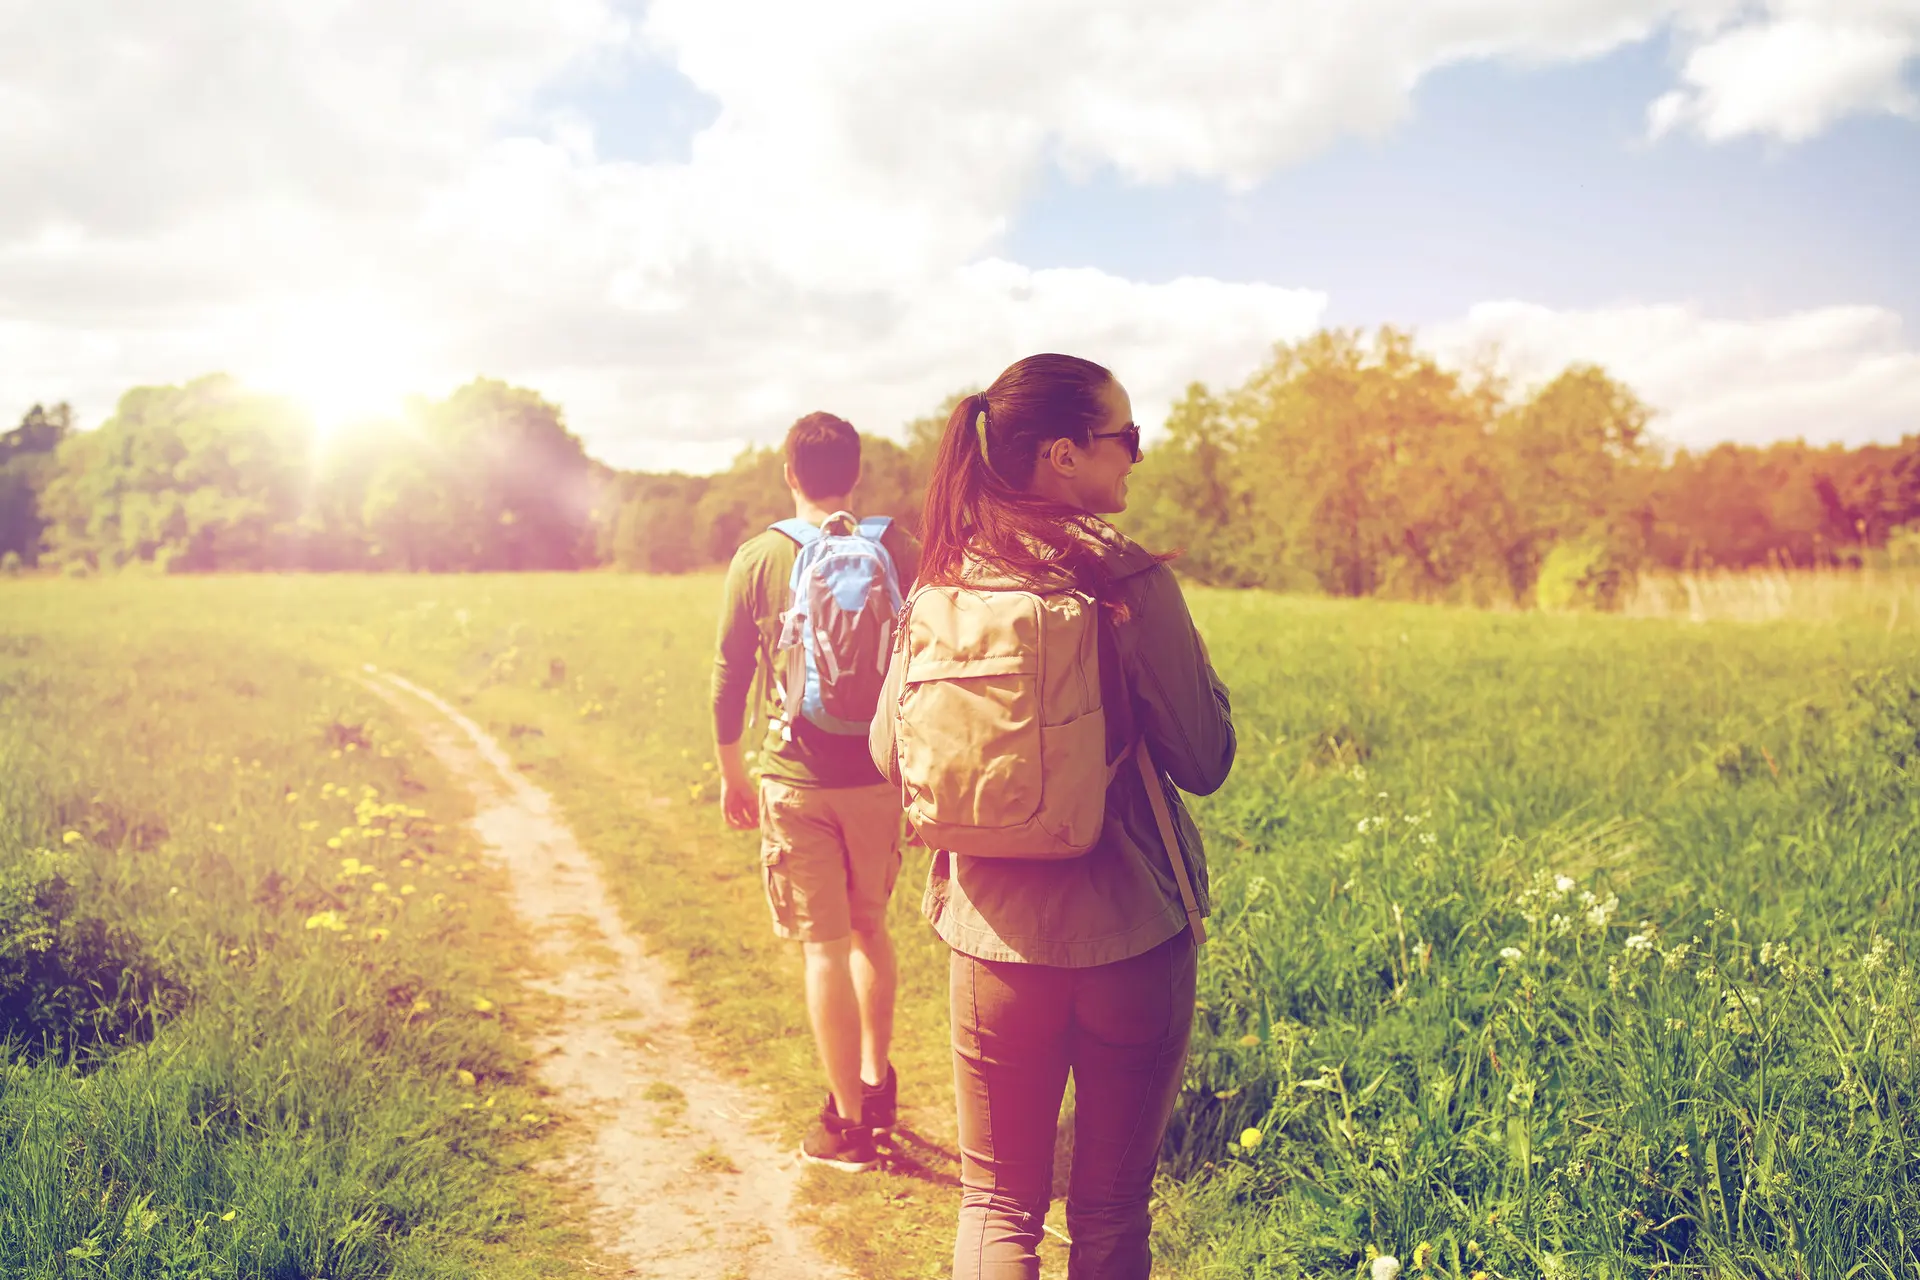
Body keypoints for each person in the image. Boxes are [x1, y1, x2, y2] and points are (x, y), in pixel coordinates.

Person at [870, 354, 1235, 1279]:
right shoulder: (1125, 578)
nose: (1136, 458)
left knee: (996, 1204)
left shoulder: (947, 578)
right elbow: (1205, 759)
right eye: (1128, 438)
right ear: (1065, 455)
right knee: (1110, 1212)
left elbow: (888, 751)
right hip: (1133, 938)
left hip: (992, 941)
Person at [711, 411, 922, 1172]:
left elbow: (731, 675)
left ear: (789, 474)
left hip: (795, 780)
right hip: (877, 781)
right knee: (872, 931)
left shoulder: (760, 556)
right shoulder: (899, 547)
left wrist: (733, 771)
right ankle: (877, 1082)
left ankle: (847, 1124)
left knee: (823, 951)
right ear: (856, 474)